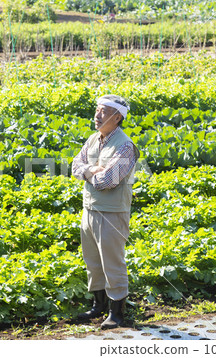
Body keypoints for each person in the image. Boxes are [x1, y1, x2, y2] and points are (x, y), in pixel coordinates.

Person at [71, 94, 139, 329]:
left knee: (112, 263)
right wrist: (93, 169)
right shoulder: (93, 139)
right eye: (97, 110)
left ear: (118, 117)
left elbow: (108, 181)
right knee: (92, 261)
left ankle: (117, 313)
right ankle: (98, 305)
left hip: (111, 213)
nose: (97, 116)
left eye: (103, 111)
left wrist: (89, 174)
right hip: (89, 210)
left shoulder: (126, 146)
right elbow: (74, 166)